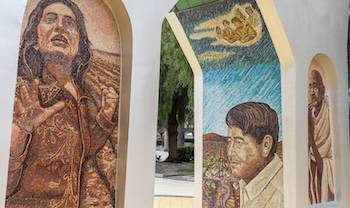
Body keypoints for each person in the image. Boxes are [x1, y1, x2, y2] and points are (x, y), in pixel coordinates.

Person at [6, 0, 119, 207]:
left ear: (79, 43)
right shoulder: (20, 93)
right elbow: (6, 185)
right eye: (50, 19)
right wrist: (21, 131)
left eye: (69, 23)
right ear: (34, 37)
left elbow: (80, 151)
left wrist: (104, 116)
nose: (59, 27)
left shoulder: (77, 94)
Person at [225, 102, 283, 208]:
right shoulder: (247, 182)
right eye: (229, 141)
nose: (230, 152)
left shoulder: (280, 194)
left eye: (239, 142)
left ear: (266, 145)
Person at [308, 67, 335, 204]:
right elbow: (309, 139)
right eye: (309, 86)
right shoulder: (308, 111)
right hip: (314, 157)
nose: (312, 91)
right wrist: (317, 156)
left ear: (322, 89)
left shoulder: (330, 107)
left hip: (329, 158)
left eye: (315, 86)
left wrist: (321, 159)